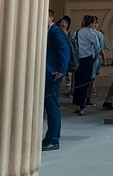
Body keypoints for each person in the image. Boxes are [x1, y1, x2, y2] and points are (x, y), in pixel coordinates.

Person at [43, 9, 70, 150]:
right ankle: (48, 137)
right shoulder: (45, 31)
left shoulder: (56, 32)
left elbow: (64, 51)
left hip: (52, 74)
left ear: (51, 18)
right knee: (47, 106)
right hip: (45, 73)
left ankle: (54, 139)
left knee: (52, 107)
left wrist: (61, 71)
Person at [73, 15, 103, 115]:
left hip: (77, 60)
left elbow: (73, 44)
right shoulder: (92, 34)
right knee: (85, 84)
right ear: (91, 23)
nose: (95, 25)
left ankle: (77, 105)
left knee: (77, 83)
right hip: (87, 59)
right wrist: (95, 59)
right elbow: (97, 48)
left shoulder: (77, 32)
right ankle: (82, 107)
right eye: (94, 23)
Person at [57, 16, 78, 98]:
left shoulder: (69, 34)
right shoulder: (58, 32)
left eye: (66, 22)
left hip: (68, 56)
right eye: (63, 21)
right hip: (60, 55)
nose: (64, 23)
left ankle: (68, 90)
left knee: (68, 75)